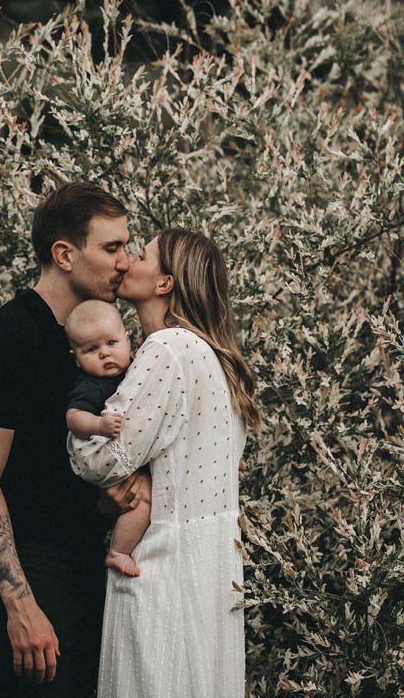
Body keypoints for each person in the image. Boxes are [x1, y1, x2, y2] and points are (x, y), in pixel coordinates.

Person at [0, 181, 147, 697]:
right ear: (64, 254)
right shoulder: (8, 340)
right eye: (111, 248)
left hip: (87, 567)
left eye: (127, 248)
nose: (125, 263)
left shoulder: (100, 344)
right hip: (30, 579)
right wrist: (20, 606)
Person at [68, 229, 258, 698]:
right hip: (209, 572)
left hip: (164, 576)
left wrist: (102, 454)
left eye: (141, 255)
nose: (127, 261)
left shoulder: (168, 349)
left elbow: (97, 458)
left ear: (164, 284)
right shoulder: (211, 357)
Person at [64, 300, 151, 578]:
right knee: (144, 494)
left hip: (114, 450)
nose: (105, 354)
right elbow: (73, 418)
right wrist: (98, 424)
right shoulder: (90, 384)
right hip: (95, 454)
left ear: (127, 339)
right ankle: (118, 552)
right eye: (92, 349)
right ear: (76, 359)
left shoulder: (131, 367)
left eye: (111, 343)